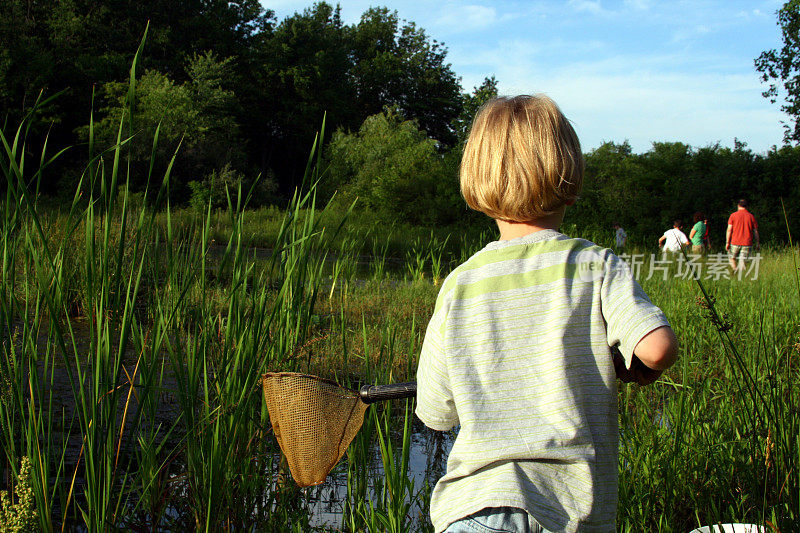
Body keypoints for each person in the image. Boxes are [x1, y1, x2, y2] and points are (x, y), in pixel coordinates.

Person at [415, 95, 678, 533]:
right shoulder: (595, 264)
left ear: (477, 179)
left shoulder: (459, 283)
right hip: (569, 510)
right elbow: (657, 348)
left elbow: (437, 412)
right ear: (567, 172)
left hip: (473, 510)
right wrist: (629, 364)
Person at [726, 199, 759, 272]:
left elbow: (729, 230)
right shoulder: (751, 216)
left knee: (731, 258)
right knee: (743, 262)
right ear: (746, 206)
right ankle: (740, 276)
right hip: (747, 243)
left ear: (738, 205)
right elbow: (755, 231)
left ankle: (735, 270)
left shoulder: (733, 215)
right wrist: (757, 243)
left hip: (735, 242)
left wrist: (727, 242)